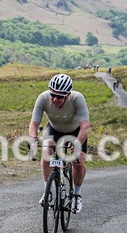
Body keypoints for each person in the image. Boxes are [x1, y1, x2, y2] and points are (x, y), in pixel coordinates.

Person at [29, 74, 90, 214]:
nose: (55, 99)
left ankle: (77, 194)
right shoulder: (43, 98)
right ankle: (48, 191)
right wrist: (33, 138)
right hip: (54, 130)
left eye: (60, 97)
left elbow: (85, 126)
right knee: (46, 153)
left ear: (67, 95)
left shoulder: (77, 98)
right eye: (53, 95)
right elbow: (34, 124)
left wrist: (77, 143)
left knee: (78, 162)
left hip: (75, 132)